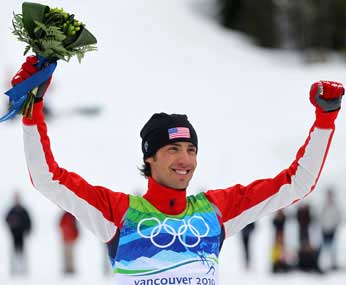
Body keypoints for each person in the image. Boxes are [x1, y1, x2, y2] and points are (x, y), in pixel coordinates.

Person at [13, 56, 344, 284]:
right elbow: (48, 177)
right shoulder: (119, 213)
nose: (185, 159)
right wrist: (32, 109)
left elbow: (296, 183)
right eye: (173, 149)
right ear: (150, 159)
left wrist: (325, 117)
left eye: (191, 149)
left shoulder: (215, 211)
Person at [5, 192, 32, 275]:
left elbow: (28, 221)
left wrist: (27, 230)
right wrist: (11, 226)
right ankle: (14, 270)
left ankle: (23, 270)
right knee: (14, 252)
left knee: (23, 252)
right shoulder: (11, 210)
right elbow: (7, 220)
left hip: (22, 235)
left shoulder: (23, 210)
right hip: (14, 235)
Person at [319, 187, 343, 271]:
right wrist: (322, 226)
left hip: (332, 229)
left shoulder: (335, 206)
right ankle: (325, 265)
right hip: (324, 230)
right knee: (325, 248)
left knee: (333, 248)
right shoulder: (323, 205)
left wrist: (335, 225)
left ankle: (333, 264)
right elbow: (320, 217)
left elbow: (339, 217)